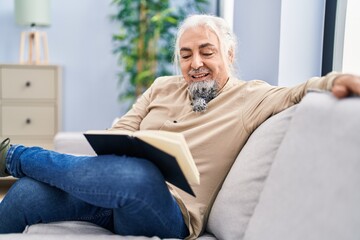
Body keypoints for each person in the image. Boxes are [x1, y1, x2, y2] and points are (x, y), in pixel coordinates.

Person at [0, 14, 360, 239]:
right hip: (116, 198)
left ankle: (13, 156)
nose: (196, 63)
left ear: (229, 55)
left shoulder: (252, 97)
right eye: (186, 55)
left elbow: (298, 92)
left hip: (169, 212)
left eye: (207, 51)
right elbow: (117, 134)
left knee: (140, 175)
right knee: (26, 195)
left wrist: (336, 80)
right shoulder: (161, 86)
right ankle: (20, 165)